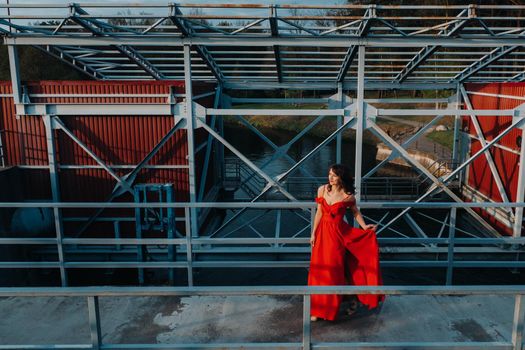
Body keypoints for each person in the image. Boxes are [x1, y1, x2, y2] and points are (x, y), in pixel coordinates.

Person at [308, 163, 385, 321]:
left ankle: (329, 310)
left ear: (341, 178)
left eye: (334, 175)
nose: (330, 178)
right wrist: (313, 233)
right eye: (329, 174)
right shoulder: (322, 189)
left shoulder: (348, 196)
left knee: (332, 272)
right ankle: (317, 309)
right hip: (322, 234)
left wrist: (364, 227)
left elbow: (355, 212)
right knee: (318, 271)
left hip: (337, 236)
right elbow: (319, 213)